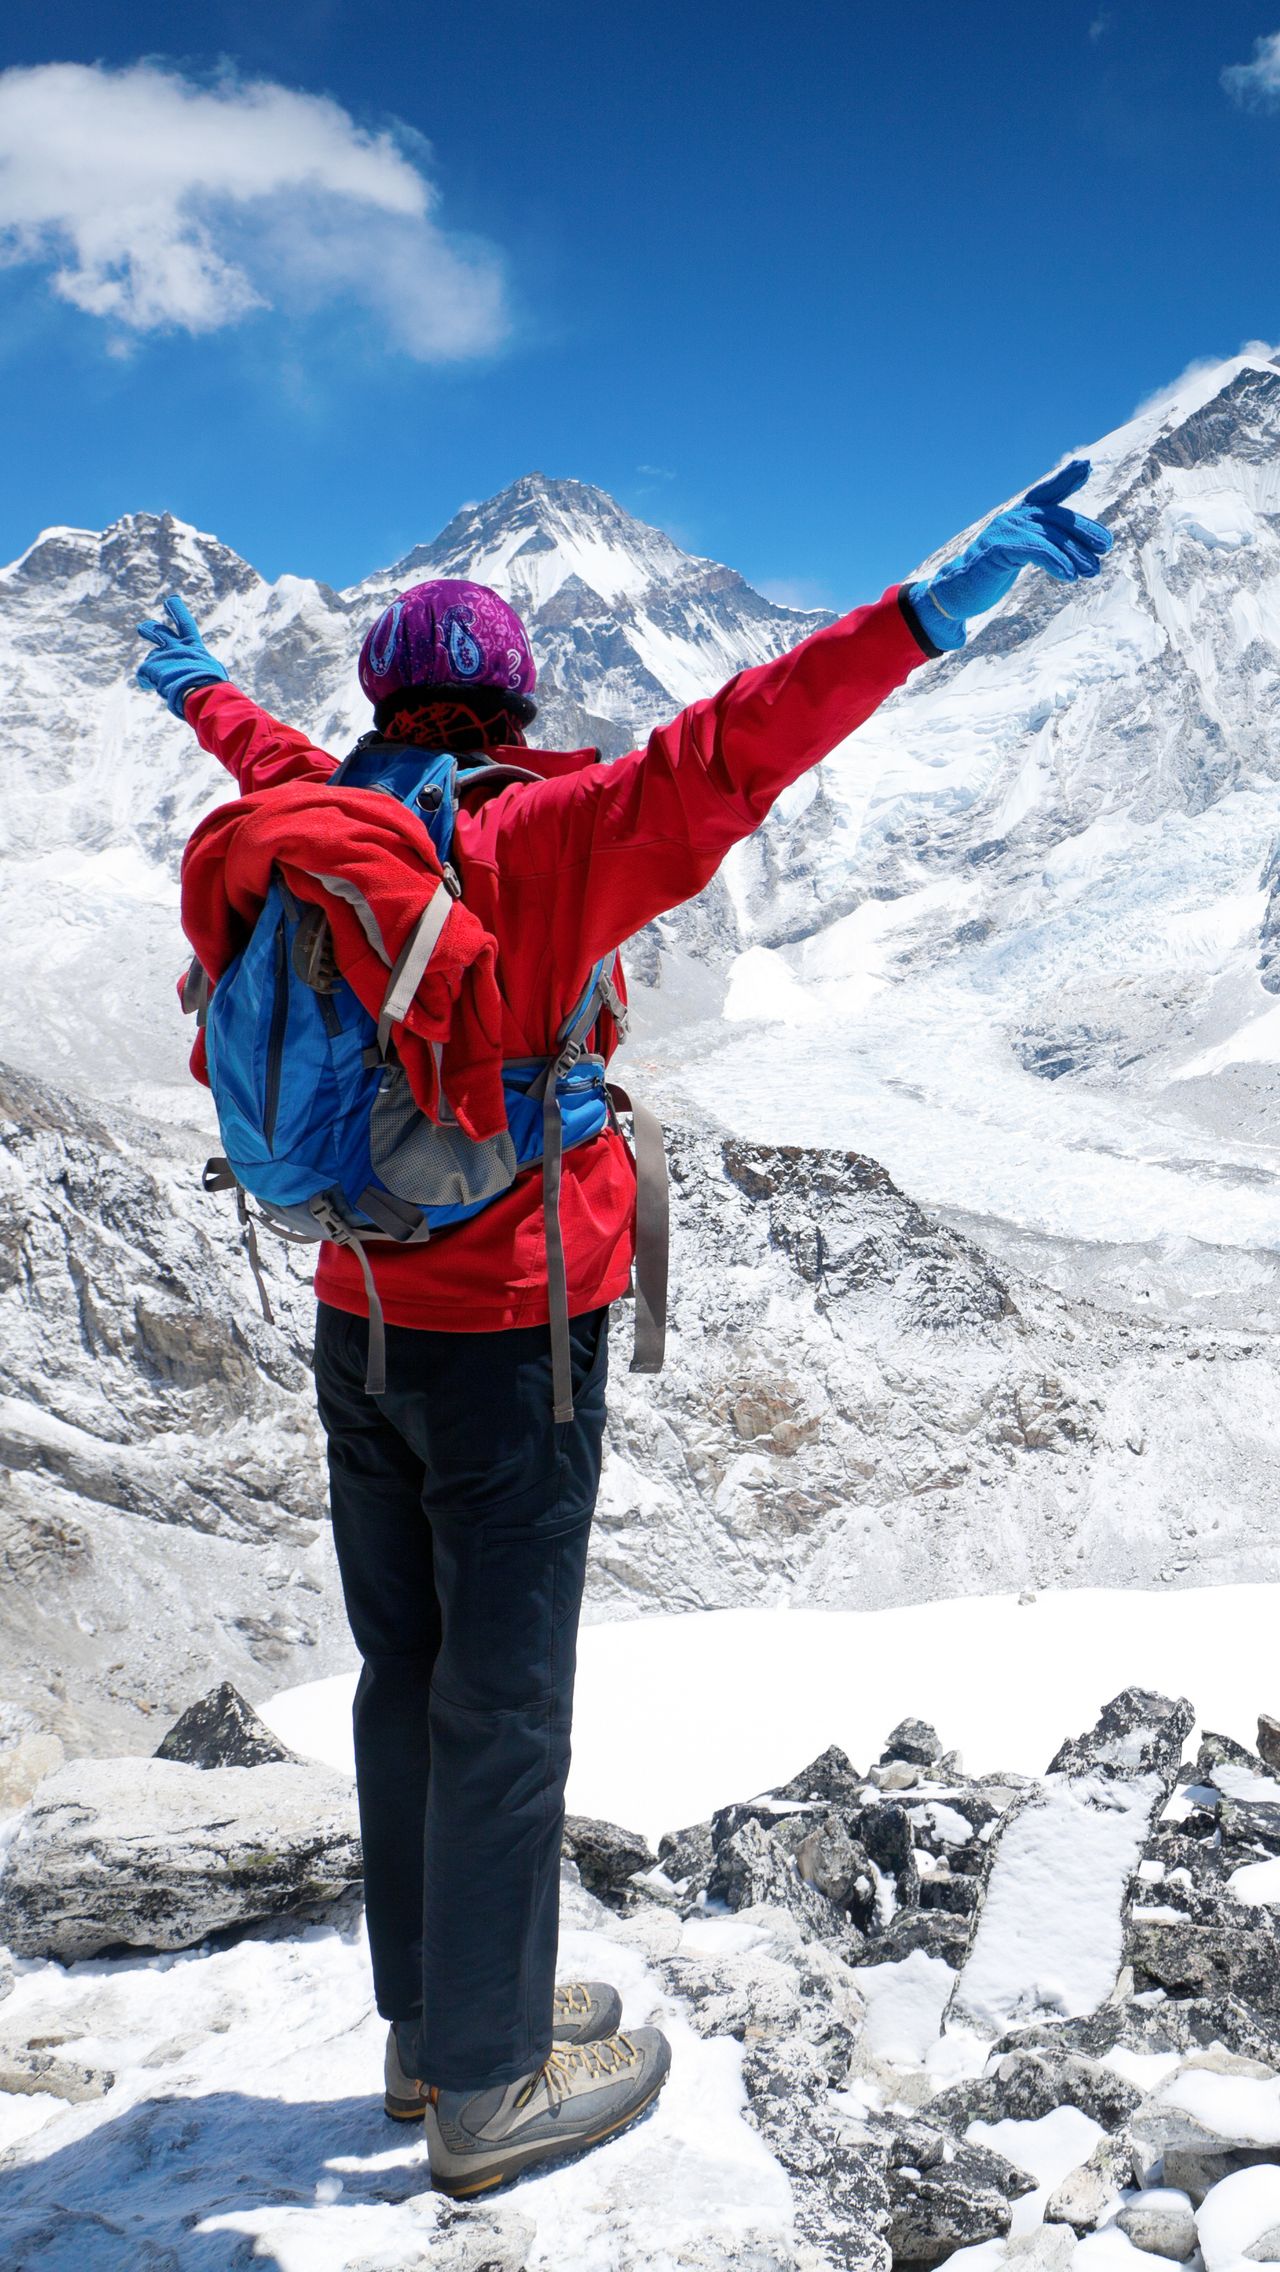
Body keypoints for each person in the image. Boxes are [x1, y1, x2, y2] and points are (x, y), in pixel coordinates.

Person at [135, 461, 1111, 2196]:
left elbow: (255, 755)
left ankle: (435, 2029)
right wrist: (928, 612)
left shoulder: (322, 815)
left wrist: (201, 683)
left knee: (403, 1674)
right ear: (514, 699)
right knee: (507, 1700)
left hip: (351, 1313)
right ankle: (499, 2093)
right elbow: (738, 744)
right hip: (517, 1335)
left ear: (383, 698)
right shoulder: (540, 842)